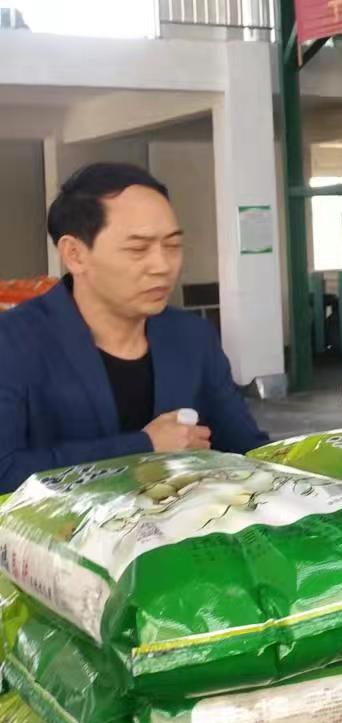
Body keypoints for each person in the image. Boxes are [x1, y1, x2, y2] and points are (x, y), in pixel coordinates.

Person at [0, 163, 267, 491]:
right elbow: (5, 471)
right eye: (138, 249)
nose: (162, 266)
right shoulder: (12, 342)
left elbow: (249, 451)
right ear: (75, 254)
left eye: (172, 246)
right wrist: (143, 447)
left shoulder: (191, 337)